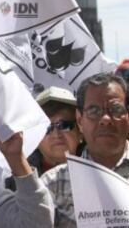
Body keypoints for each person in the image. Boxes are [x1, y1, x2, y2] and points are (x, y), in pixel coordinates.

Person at [41, 73, 129, 227]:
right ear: (80, 120)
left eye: (116, 109)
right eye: (94, 111)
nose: (106, 119)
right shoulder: (53, 183)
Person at [6, 87, 82, 190]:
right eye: (46, 128)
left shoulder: (102, 168)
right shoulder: (17, 180)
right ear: (34, 139)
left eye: (64, 125)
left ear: (80, 130)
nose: (56, 134)